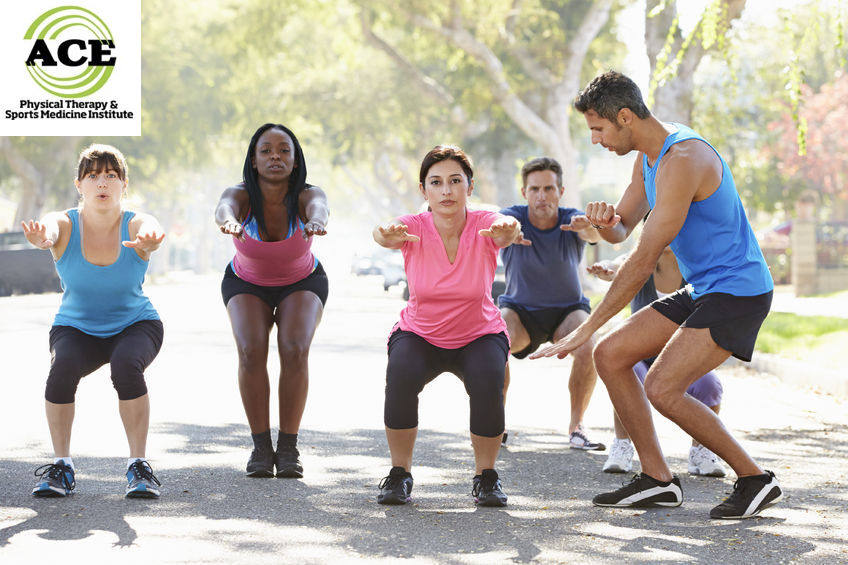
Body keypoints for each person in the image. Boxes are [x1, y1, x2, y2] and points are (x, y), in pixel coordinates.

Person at [533, 71, 781, 520]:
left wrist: (584, 328)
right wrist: (605, 222)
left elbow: (644, 257)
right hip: (705, 286)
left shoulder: (683, 158)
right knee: (610, 354)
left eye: (599, 128)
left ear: (625, 117)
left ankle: (755, 478)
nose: (595, 139)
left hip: (737, 290)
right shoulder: (647, 159)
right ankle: (657, 480)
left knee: (662, 387)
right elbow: (623, 230)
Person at [372, 145, 525, 507]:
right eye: (436, 182)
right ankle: (399, 474)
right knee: (401, 372)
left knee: (490, 379)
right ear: (423, 189)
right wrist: (384, 235)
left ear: (469, 187)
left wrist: (509, 228)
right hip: (420, 333)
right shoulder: (412, 226)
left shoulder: (485, 223)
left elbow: (507, 229)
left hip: (479, 333)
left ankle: (486, 476)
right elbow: (383, 233)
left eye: (455, 181)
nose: (446, 190)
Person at [22, 143, 165, 498]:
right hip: (76, 327)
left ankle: (138, 466)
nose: (103, 183)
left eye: (111, 176)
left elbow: (151, 224)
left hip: (135, 324)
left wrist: (151, 237)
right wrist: (45, 239)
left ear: (124, 184)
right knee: (61, 370)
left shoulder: (135, 224)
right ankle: (62, 467)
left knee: (126, 366)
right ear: (79, 184)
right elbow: (51, 229)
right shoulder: (65, 223)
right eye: (94, 176)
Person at [215, 123, 329, 479]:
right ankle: (262, 448)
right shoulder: (241, 194)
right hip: (246, 282)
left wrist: (316, 223)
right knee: (251, 351)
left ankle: (289, 448)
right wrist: (229, 222)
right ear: (253, 159)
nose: (275, 157)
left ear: (295, 161)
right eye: (266, 151)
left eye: (284, 151)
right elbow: (224, 208)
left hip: (303, 281)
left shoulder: (307, 195)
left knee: (294, 349)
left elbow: (320, 208)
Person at [588, 247, 726, 477]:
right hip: (641, 356)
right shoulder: (643, 262)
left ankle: (701, 451)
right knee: (625, 374)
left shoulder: (694, 266)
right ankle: (622, 445)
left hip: (680, 357)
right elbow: (619, 265)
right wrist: (607, 268)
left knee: (710, 385)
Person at [498, 157, 604, 450]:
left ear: (560, 190)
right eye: (534, 189)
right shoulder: (511, 217)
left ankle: (577, 427)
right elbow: (499, 229)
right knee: (493, 342)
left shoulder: (573, 219)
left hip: (567, 313)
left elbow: (592, 234)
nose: (541, 196)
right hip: (520, 313)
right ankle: (495, 424)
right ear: (524, 192)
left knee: (589, 346)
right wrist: (509, 233)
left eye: (548, 188)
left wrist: (590, 227)